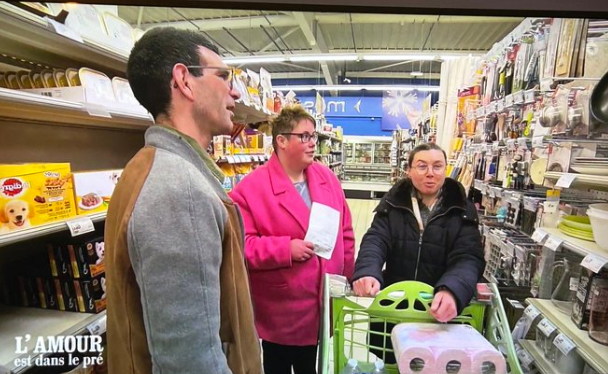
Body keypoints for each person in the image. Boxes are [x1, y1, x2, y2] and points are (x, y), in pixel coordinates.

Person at [104, 27, 262, 374]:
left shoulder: (149, 166)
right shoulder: (179, 190)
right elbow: (189, 361)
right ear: (184, 81)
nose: (234, 90)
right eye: (222, 76)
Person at [230, 106, 355, 374]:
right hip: (281, 308)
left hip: (322, 301)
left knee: (311, 365)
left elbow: (345, 231)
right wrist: (284, 248)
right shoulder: (251, 189)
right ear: (282, 141)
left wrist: (345, 279)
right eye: (305, 137)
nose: (313, 144)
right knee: (277, 364)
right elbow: (242, 245)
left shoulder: (326, 178)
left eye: (314, 137)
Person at [351, 142, 485, 361]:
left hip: (439, 316)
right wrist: (367, 271)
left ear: (446, 169)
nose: (430, 173)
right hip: (396, 311)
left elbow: (468, 257)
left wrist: (452, 290)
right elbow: (375, 240)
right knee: (393, 363)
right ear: (409, 171)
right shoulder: (393, 203)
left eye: (437, 166)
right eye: (422, 166)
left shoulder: (462, 209)